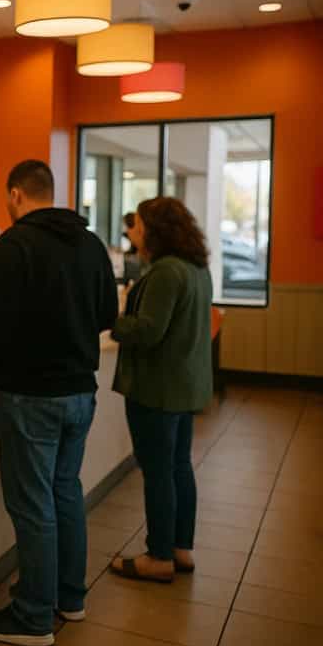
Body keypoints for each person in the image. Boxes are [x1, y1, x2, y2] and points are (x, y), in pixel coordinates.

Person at [0, 159, 118, 646]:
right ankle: (69, 598)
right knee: (64, 493)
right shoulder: (91, 243)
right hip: (80, 390)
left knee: (34, 506)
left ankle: (33, 616)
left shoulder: (13, 247)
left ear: (16, 195)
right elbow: (105, 315)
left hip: (31, 395)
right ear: (51, 192)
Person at [109, 197, 213, 583]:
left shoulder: (166, 272)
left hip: (158, 388)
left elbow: (148, 331)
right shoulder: (196, 269)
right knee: (179, 466)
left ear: (155, 229)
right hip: (185, 385)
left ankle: (158, 555)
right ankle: (180, 548)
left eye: (136, 223)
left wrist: (109, 320)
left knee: (157, 471)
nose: (131, 230)